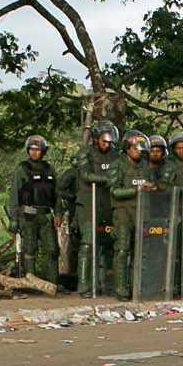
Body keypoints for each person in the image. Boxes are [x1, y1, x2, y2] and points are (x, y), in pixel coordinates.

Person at [6, 134, 62, 283]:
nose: (34, 152)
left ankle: (53, 283)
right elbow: (14, 196)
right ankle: (32, 282)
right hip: (28, 216)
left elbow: (56, 194)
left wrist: (58, 213)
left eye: (38, 150)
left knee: (52, 250)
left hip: (46, 216)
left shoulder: (49, 169)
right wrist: (14, 218)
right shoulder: (22, 169)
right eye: (32, 149)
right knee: (29, 250)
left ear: (43, 151)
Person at [107, 131, 153, 300]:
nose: (139, 151)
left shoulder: (145, 166)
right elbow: (114, 191)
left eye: (141, 148)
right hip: (123, 212)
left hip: (142, 211)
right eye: (135, 148)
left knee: (140, 251)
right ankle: (121, 289)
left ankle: (137, 287)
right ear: (127, 149)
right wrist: (136, 190)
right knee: (122, 249)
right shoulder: (118, 165)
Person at [75, 120, 119, 296]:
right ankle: (84, 285)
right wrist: (107, 178)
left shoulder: (115, 155)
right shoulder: (85, 153)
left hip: (108, 202)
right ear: (96, 139)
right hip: (88, 202)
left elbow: (119, 171)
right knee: (88, 243)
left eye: (109, 142)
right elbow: (86, 175)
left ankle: (105, 283)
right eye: (104, 141)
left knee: (108, 243)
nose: (107, 144)